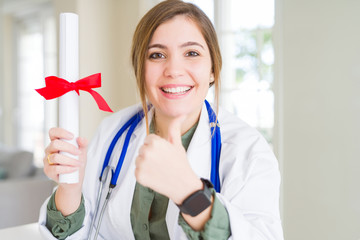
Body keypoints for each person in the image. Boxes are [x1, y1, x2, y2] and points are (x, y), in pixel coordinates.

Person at [38, 0, 284, 239]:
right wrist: (70, 188)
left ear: (212, 69)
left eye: (191, 53)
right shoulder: (112, 133)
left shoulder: (247, 151)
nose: (173, 70)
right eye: (156, 55)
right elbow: (79, 233)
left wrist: (189, 193)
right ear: (140, 69)